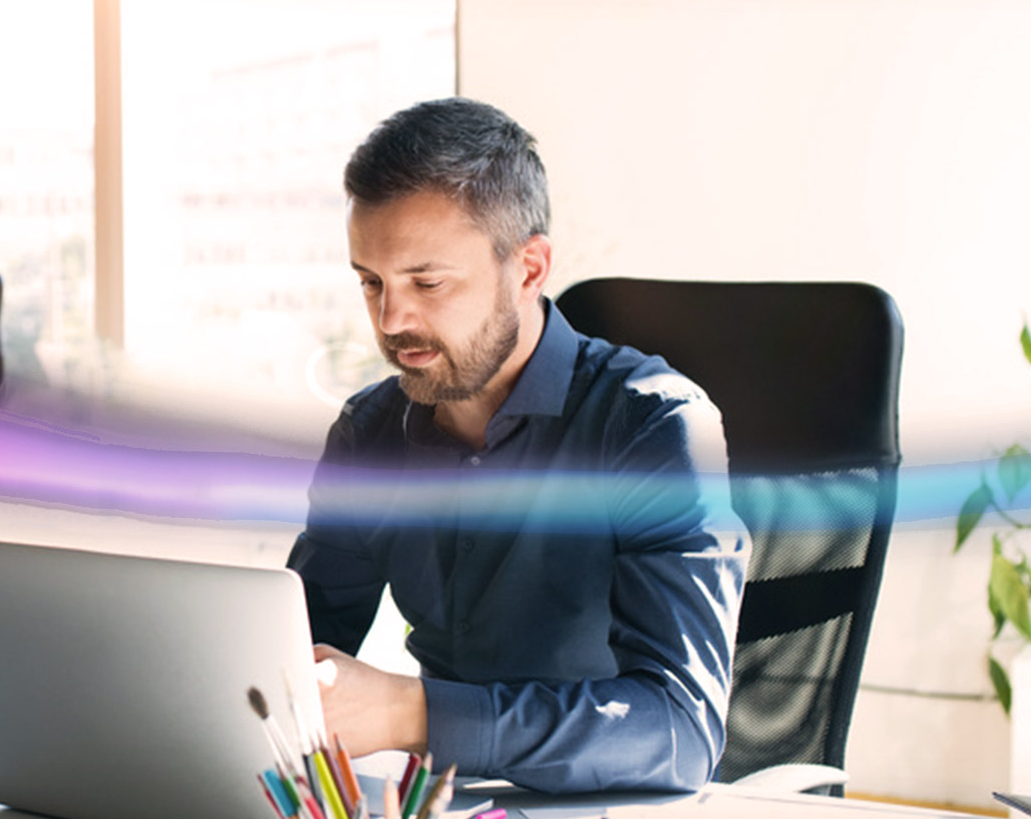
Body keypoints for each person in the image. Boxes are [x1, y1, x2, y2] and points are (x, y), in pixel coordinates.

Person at [287, 97, 749, 794]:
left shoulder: (650, 427)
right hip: (445, 802)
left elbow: (680, 733)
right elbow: (290, 653)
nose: (391, 318)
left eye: (427, 281)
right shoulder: (369, 433)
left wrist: (414, 712)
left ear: (529, 269)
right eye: (371, 282)